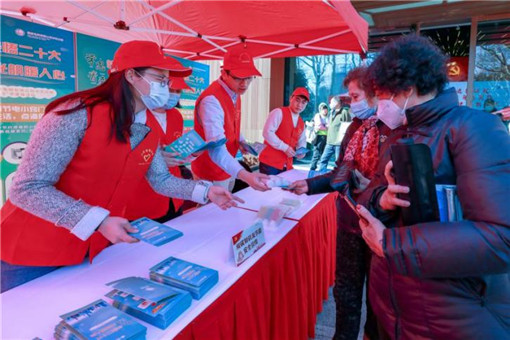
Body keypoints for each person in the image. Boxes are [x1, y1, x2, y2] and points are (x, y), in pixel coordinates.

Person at [0, 40, 241, 293]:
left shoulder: (145, 126)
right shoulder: (77, 113)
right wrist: (96, 220)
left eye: (168, 82)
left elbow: (159, 179)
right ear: (130, 75)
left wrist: (205, 192)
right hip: (32, 252)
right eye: (160, 78)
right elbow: (27, 188)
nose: (166, 88)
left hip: (92, 249)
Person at [356, 35, 510, 339]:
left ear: (407, 89)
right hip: (397, 312)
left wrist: (391, 245)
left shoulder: (473, 128)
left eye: (383, 95)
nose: (379, 107)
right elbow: (372, 192)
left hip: (455, 317)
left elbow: (500, 238)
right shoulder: (400, 134)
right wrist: (382, 201)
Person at [288, 66, 390, 340]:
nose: (352, 103)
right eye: (351, 97)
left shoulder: (394, 127)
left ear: (374, 95)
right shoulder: (355, 127)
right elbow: (341, 169)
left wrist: (375, 188)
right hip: (348, 220)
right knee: (345, 291)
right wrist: (310, 184)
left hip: (380, 225)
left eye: (356, 97)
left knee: (378, 298)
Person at [191, 46, 269, 192]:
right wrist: (245, 175)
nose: (244, 84)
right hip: (211, 170)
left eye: (249, 77)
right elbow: (216, 149)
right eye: (238, 78)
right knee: (213, 213)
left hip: (228, 167)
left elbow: (232, 124)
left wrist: (242, 141)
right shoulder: (211, 100)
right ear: (224, 73)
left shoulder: (234, 93)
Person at [125, 66, 196, 223]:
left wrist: (189, 154)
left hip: (174, 194)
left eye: (178, 92)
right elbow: (124, 159)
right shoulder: (136, 116)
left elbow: (173, 147)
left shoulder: (176, 116)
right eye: (170, 88)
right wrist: (155, 159)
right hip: (144, 198)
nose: (173, 95)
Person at [258, 87, 309, 175]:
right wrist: (284, 147)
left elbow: (302, 140)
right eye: (297, 100)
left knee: (282, 189)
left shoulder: (301, 123)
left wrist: (301, 152)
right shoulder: (278, 112)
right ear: (290, 98)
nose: (300, 105)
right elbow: (267, 132)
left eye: (303, 102)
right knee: (269, 188)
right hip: (269, 163)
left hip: (287, 165)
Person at [317, 95, 351, 171]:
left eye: (331, 102)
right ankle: (321, 175)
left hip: (339, 143)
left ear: (336, 103)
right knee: (323, 160)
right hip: (329, 142)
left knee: (338, 162)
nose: (330, 104)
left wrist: (343, 140)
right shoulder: (331, 112)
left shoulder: (344, 112)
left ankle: (338, 179)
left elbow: (348, 127)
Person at [309, 102, 329, 170]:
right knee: (317, 153)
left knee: (324, 154)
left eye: (326, 108)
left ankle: (322, 168)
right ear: (320, 109)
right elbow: (319, 126)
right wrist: (326, 127)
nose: (325, 110)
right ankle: (312, 168)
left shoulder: (328, 116)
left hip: (327, 137)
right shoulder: (318, 116)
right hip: (319, 137)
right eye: (323, 109)